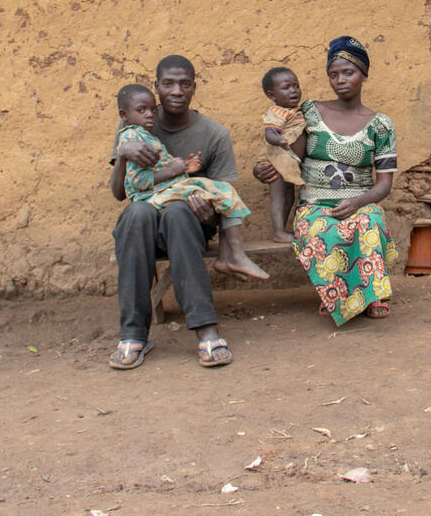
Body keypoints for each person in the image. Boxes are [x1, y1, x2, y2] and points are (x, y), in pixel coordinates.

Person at [108, 55, 260, 370]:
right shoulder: (133, 123)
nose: (176, 91)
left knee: (177, 212)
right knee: (136, 213)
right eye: (168, 84)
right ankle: (133, 334)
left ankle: (206, 329)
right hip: (145, 224)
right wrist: (122, 156)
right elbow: (120, 193)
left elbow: (220, 197)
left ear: (194, 88)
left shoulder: (213, 133)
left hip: (191, 223)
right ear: (157, 87)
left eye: (185, 84)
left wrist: (208, 214)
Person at [281, 36, 398, 325]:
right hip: (314, 203)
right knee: (323, 229)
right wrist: (271, 164)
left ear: (364, 75)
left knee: (369, 223)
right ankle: (336, 294)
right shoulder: (310, 112)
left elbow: (384, 185)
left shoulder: (381, 125)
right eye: (333, 74)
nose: (340, 80)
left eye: (349, 72)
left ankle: (367, 296)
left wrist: (358, 201)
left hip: (360, 200)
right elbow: (292, 159)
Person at [115, 83, 266, 282]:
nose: (150, 114)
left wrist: (185, 168)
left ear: (194, 88)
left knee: (217, 194)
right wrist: (125, 155)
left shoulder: (146, 134)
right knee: (222, 192)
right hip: (153, 203)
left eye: (152, 109)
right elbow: (136, 182)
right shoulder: (132, 136)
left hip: (171, 206)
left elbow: (159, 170)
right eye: (142, 110)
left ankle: (230, 255)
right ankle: (234, 255)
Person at [260, 67, 304, 243]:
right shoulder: (277, 112)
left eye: (296, 86)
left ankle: (282, 229)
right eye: (287, 87)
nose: (293, 90)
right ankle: (278, 231)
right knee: (278, 198)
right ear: (272, 95)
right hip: (276, 163)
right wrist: (279, 141)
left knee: (290, 197)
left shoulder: (296, 111)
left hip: (289, 165)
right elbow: (269, 133)